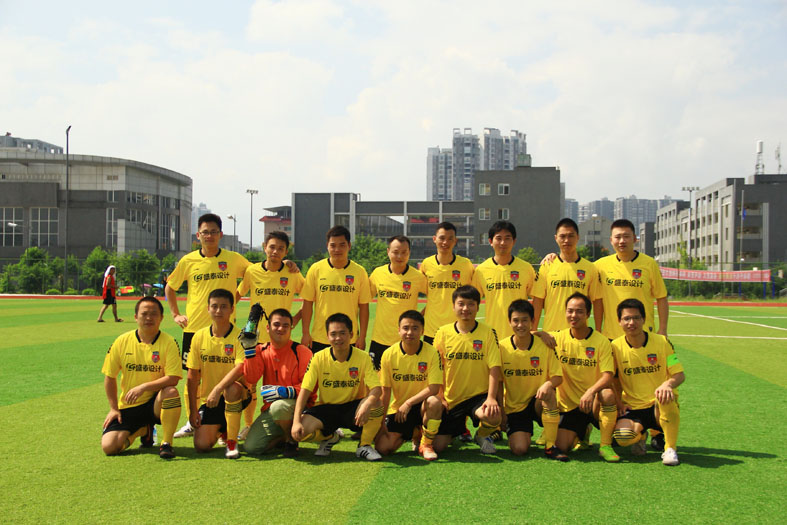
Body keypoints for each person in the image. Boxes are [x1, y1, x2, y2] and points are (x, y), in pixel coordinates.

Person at [166, 213, 252, 439]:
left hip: (226, 331)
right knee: (192, 377)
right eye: (205, 232)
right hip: (194, 330)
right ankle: (191, 419)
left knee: (231, 378)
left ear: (221, 234)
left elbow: (255, 273)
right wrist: (175, 314)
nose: (210, 236)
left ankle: (231, 423)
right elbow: (170, 287)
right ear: (198, 235)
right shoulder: (188, 261)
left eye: (214, 232)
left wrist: (236, 296)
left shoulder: (233, 259)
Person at [210, 308, 311, 458]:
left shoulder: (302, 351)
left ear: (291, 328)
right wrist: (249, 350)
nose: (281, 329)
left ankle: (291, 441)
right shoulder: (261, 350)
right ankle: (283, 436)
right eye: (276, 324)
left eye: (285, 325)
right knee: (252, 448)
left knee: (279, 407)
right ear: (268, 328)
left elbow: (310, 387)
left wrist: (285, 391)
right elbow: (251, 378)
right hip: (271, 409)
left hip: (300, 408)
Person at [235, 230, 305, 438]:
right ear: (265, 247)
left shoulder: (292, 273)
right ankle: (249, 424)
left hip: (280, 341)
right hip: (255, 339)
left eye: (281, 248)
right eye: (272, 247)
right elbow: (237, 294)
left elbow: (310, 297)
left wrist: (295, 320)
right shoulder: (252, 271)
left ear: (286, 251)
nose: (275, 251)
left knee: (281, 383)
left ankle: (281, 424)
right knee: (249, 382)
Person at [291, 313, 384, 461]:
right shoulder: (318, 358)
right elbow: (305, 391)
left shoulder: (363, 357)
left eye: (342, 333)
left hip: (354, 409)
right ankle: (330, 437)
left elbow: (377, 389)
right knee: (301, 432)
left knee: (376, 403)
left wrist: (367, 404)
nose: (338, 338)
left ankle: (364, 445)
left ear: (351, 335)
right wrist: (296, 422)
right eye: (333, 334)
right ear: (327, 336)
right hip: (327, 409)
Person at [101, 296, 182, 459]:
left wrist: (144, 387)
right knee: (110, 447)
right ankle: (144, 430)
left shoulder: (169, 342)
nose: (149, 318)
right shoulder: (122, 341)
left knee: (171, 392)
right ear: (136, 317)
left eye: (154, 314)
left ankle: (166, 443)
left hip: (155, 404)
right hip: (129, 404)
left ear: (161, 318)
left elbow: (173, 378)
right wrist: (114, 408)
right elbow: (110, 376)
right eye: (144, 314)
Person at [611, 298, 685, 466]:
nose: (632, 323)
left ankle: (670, 448)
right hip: (634, 407)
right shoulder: (615, 347)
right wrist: (619, 402)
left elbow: (679, 375)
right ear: (619, 321)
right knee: (622, 437)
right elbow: (614, 380)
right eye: (626, 318)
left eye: (636, 318)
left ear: (644, 319)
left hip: (659, 405)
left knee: (666, 396)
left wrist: (667, 384)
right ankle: (640, 435)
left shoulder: (662, 342)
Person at [432, 285, 502, 455]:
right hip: (452, 399)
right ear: (453, 306)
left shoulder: (488, 332)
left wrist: (491, 398)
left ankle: (482, 435)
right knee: (439, 446)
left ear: (478, 307)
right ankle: (455, 431)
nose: (466, 308)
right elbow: (436, 368)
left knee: (493, 415)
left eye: (471, 304)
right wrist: (440, 396)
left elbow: (494, 368)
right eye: (461, 304)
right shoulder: (443, 333)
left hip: (478, 396)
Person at [551, 292, 619, 462]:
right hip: (571, 406)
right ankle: (583, 432)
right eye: (570, 311)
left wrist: (591, 391)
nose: (574, 315)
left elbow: (608, 376)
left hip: (594, 402)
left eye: (579, 311)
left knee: (607, 394)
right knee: (561, 446)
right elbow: (528, 334)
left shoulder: (601, 341)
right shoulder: (558, 338)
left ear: (588, 314)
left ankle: (605, 445)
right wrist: (541, 334)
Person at [185, 289, 250, 459]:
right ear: (208, 308)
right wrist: (193, 411)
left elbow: (240, 368)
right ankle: (224, 428)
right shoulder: (199, 336)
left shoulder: (241, 336)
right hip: (211, 400)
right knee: (201, 445)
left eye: (223, 306)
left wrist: (217, 389)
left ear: (232, 309)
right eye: (214, 306)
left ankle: (231, 442)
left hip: (238, 393)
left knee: (231, 389)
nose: (218, 311)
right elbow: (192, 376)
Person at [500, 299, 564, 460]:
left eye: (524, 320)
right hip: (515, 408)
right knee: (519, 449)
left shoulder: (545, 345)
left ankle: (550, 446)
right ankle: (523, 432)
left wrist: (548, 384)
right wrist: (501, 411)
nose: (520, 325)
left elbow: (557, 377)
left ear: (533, 321)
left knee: (549, 392)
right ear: (509, 322)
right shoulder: (501, 348)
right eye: (516, 320)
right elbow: (498, 382)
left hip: (538, 401)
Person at [375, 310, 443, 460]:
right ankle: (415, 433)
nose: (410, 332)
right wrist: (381, 423)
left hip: (423, 407)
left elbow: (434, 388)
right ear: (398, 330)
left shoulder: (432, 352)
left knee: (434, 401)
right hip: (400, 411)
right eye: (405, 328)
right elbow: (385, 392)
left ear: (422, 331)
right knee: (383, 447)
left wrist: (409, 402)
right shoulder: (389, 354)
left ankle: (426, 444)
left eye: (415, 328)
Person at [300, 226, 371, 352]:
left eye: (342, 245)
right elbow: (307, 303)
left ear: (349, 246)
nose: (337, 249)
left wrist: (362, 336)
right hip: (320, 337)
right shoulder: (316, 269)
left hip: (349, 338)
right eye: (333, 245)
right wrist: (305, 333)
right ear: (327, 246)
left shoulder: (360, 272)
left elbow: (364, 306)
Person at [595, 219, 669, 339]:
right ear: (611, 240)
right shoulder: (600, 266)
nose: (622, 241)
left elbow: (661, 297)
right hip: (612, 336)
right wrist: (598, 330)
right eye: (617, 237)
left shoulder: (649, 264)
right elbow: (596, 299)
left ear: (635, 239)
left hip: (643, 334)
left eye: (626, 236)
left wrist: (663, 329)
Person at [367, 235, 427, 370]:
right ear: (388, 252)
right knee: (375, 380)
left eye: (404, 252)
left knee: (404, 379)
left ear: (409, 253)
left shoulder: (417, 277)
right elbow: (364, 298)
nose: (399, 256)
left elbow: (435, 297)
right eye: (395, 252)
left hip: (407, 340)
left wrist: (420, 316)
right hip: (380, 339)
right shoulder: (378, 273)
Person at [532, 218, 602, 331]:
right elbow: (538, 300)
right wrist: (533, 330)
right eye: (562, 236)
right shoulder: (547, 266)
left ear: (578, 237)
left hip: (579, 334)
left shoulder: (590, 268)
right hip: (551, 334)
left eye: (571, 236)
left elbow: (597, 300)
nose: (566, 240)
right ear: (556, 238)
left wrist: (598, 330)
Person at [471, 221, 536, 339]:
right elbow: (472, 302)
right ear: (490, 241)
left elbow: (537, 298)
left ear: (514, 241)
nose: (503, 243)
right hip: (493, 336)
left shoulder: (526, 268)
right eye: (498, 238)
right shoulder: (481, 271)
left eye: (507, 238)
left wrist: (533, 328)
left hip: (520, 336)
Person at [420, 222, 474, 345]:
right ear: (434, 239)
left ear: (455, 241)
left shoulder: (466, 265)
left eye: (450, 238)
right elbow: (433, 296)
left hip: (458, 329)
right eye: (442, 238)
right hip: (432, 330)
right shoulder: (426, 264)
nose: (445, 242)